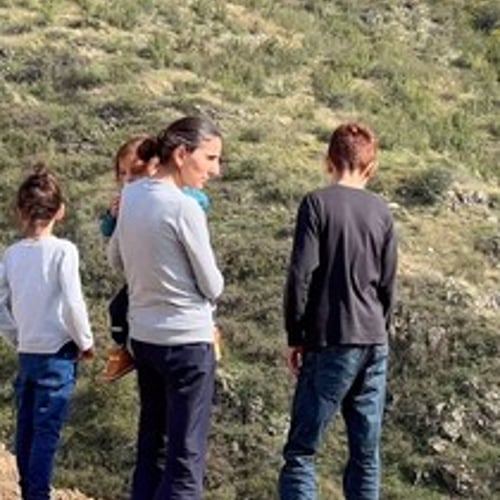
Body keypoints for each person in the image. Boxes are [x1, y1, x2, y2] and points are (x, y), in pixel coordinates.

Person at [278, 123, 397, 500]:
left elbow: (300, 275)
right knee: (365, 453)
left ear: (328, 160)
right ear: (371, 166)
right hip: (373, 339)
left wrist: (295, 335)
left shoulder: (316, 204)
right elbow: (388, 284)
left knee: (302, 451)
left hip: (331, 337)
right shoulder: (381, 211)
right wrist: (380, 331)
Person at [108, 116, 224, 499]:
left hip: (145, 338)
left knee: (152, 449)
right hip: (187, 341)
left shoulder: (131, 195)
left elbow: (115, 259)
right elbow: (213, 285)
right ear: (181, 154)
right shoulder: (184, 208)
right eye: (210, 158)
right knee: (185, 460)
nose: (215, 170)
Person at [0, 164, 94, 500]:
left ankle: (28, 491)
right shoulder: (64, 250)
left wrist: (16, 335)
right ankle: (38, 494)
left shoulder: (11, 254)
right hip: (59, 352)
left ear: (20, 211)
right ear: (60, 211)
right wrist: (85, 341)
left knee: (25, 429)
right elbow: (72, 302)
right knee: (46, 431)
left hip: (28, 351)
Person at [100, 136, 214, 382]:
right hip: (142, 275)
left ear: (155, 165)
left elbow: (201, 201)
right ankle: (122, 348)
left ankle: (210, 329)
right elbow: (108, 232)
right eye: (123, 173)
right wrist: (113, 216)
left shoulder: (181, 199)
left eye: (136, 171)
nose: (129, 178)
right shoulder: (128, 200)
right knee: (118, 308)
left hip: (165, 285)